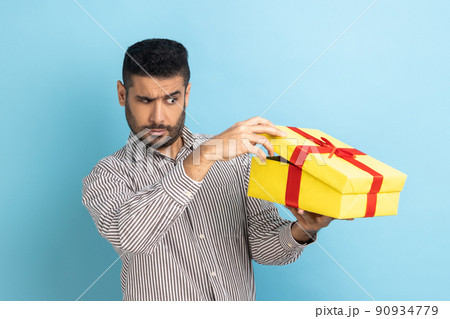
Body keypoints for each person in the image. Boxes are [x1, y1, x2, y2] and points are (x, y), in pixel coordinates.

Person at [81, 38, 342, 301]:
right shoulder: (106, 176)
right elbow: (132, 238)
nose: (158, 117)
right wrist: (202, 158)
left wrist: (303, 229)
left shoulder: (235, 160)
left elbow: (263, 248)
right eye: (145, 100)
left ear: (187, 95)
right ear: (122, 94)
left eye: (171, 99)